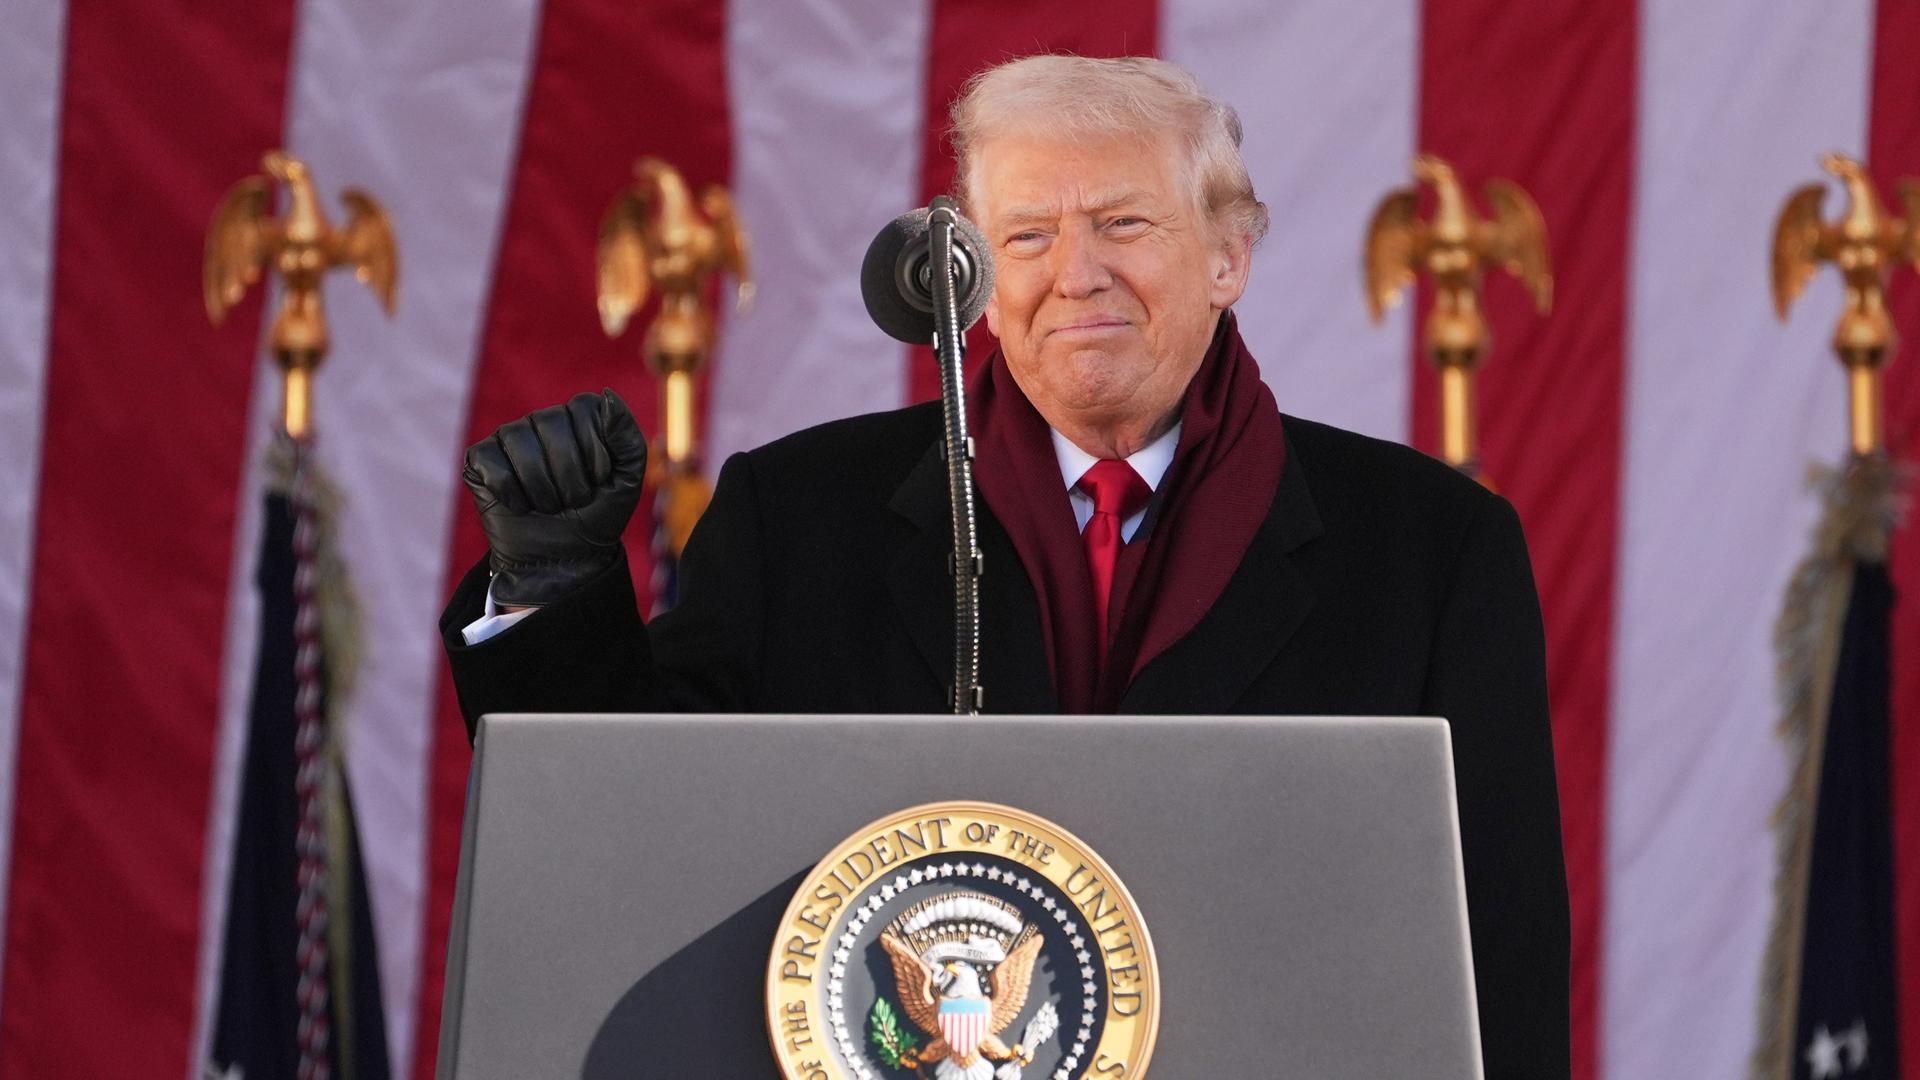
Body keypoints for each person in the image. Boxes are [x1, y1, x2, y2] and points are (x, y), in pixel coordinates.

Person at [440, 55, 1569, 1078]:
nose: (1075, 276)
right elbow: (639, 839)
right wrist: (551, 596)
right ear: (969, 277)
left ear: (1229, 255)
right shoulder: (800, 515)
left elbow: (1499, 954)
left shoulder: (1431, 549)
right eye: (1026, 236)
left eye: (1124, 223)